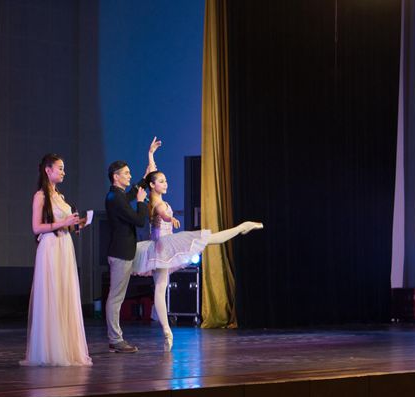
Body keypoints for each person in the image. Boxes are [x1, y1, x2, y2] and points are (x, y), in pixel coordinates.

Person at [132, 169, 263, 352]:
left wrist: (151, 156)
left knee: (161, 288)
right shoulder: (156, 203)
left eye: (166, 180)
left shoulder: (154, 197)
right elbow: (162, 213)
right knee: (162, 287)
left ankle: (167, 332)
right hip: (162, 246)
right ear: (152, 185)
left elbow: (151, 174)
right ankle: (242, 227)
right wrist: (171, 218)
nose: (166, 183)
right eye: (161, 181)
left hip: (162, 247)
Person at [20, 154, 92, 367]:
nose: (63, 172)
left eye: (63, 168)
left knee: (64, 294)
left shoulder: (60, 196)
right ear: (48, 170)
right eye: (60, 168)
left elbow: (65, 224)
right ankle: (50, 350)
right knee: (52, 295)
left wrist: (77, 223)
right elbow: (36, 227)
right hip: (50, 247)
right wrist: (62, 223)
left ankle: (66, 348)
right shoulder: (40, 196)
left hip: (64, 246)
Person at [104, 138, 159, 353]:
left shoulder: (118, 195)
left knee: (117, 296)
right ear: (116, 177)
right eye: (126, 173)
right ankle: (115, 339)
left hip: (124, 251)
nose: (129, 176)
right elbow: (138, 220)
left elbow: (133, 192)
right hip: (120, 253)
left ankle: (115, 338)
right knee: (116, 297)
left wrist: (146, 171)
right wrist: (142, 202)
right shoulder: (114, 198)